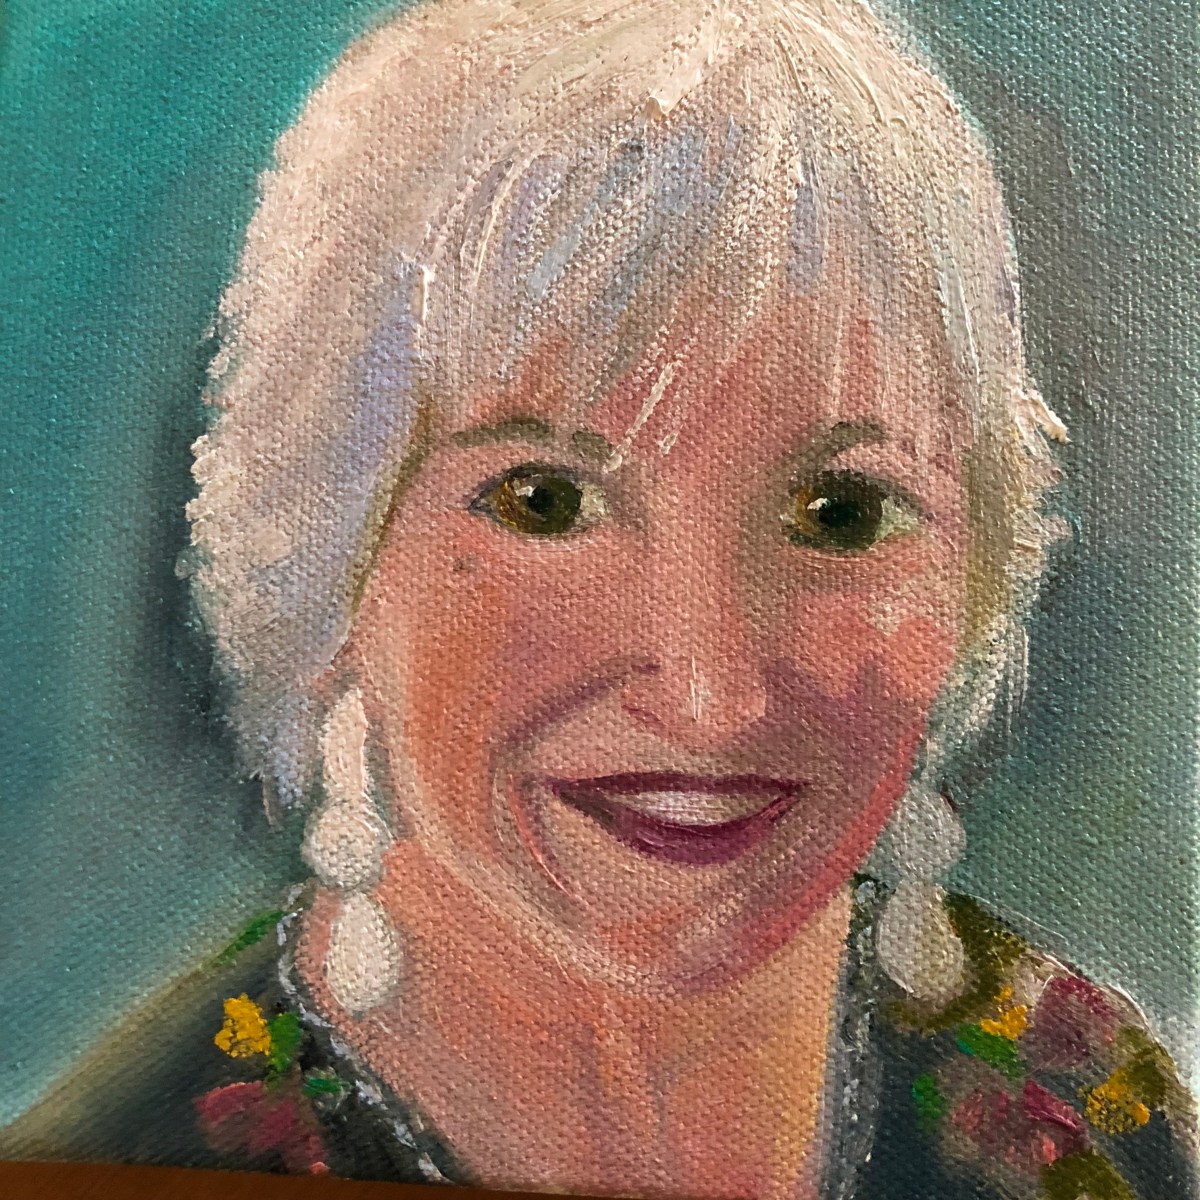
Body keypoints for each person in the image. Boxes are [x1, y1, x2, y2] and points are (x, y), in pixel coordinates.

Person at [5, 0, 1195, 1196]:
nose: (712, 695)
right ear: (330, 558)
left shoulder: (1104, 1122)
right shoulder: (108, 1159)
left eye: (840, 513)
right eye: (546, 503)